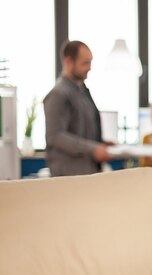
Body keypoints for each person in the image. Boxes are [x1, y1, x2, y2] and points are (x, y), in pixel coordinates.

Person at [44, 40, 111, 176]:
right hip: (69, 177)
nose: (90, 67)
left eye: (90, 62)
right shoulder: (58, 94)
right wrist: (93, 149)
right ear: (68, 62)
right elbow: (55, 136)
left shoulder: (81, 92)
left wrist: (101, 144)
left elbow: (81, 132)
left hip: (87, 172)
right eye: (85, 63)